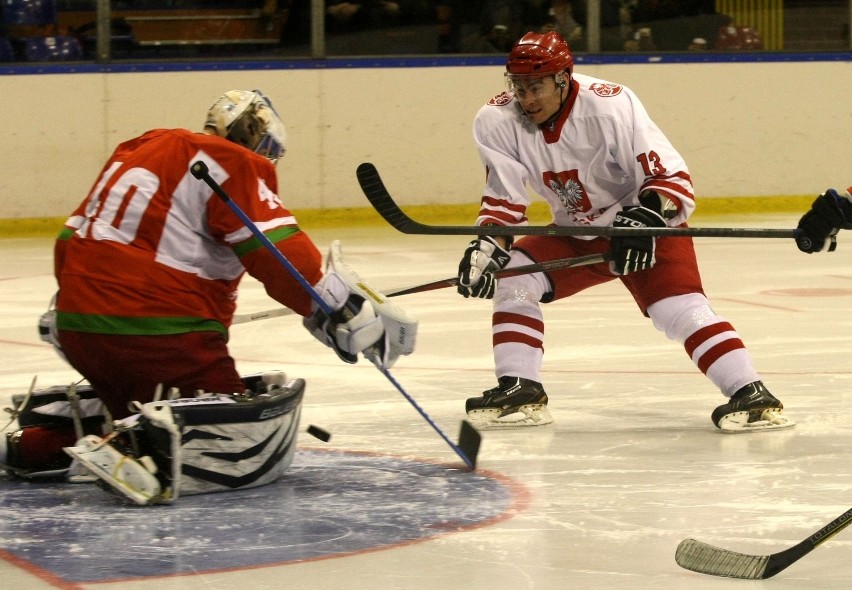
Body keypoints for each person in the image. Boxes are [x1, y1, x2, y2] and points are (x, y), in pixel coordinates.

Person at [1, 89, 410, 504]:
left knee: (130, 399)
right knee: (237, 425)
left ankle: (36, 446)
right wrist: (333, 305)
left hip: (77, 327)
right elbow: (276, 250)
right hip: (163, 335)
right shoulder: (233, 164)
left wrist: (77, 302)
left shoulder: (137, 150)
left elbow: (69, 237)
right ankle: (145, 458)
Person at [455, 31, 794, 433]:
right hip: (574, 230)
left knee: (676, 308)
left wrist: (645, 219)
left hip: (641, 227)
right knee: (513, 276)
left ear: (564, 78)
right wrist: (488, 245)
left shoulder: (610, 104)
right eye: (519, 87)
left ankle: (752, 395)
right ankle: (520, 389)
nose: (526, 100)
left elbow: (670, 177)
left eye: (537, 87)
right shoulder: (496, 119)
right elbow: (503, 201)